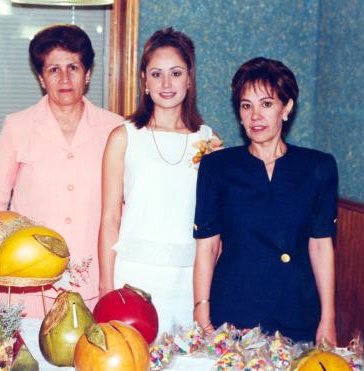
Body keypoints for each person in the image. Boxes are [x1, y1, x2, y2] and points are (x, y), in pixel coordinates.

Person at [0, 24, 123, 318]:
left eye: (73, 67)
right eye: (54, 69)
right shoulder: (18, 127)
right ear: (42, 78)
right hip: (29, 285)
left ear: (88, 74)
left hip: (97, 283)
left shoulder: (116, 129)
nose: (65, 78)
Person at [193, 57, 338, 344]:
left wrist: (328, 318)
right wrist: (201, 309)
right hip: (234, 313)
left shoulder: (317, 167)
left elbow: (321, 246)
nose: (255, 116)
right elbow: (207, 248)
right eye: (247, 106)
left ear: (287, 108)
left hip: (297, 312)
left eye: (267, 104)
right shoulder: (217, 167)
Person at [98, 27, 221, 335]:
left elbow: (216, 229)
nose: (166, 84)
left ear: (189, 79)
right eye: (156, 74)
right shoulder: (123, 137)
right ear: (144, 80)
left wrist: (206, 294)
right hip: (134, 277)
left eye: (176, 73)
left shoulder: (210, 142)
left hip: (189, 282)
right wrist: (106, 287)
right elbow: (110, 217)